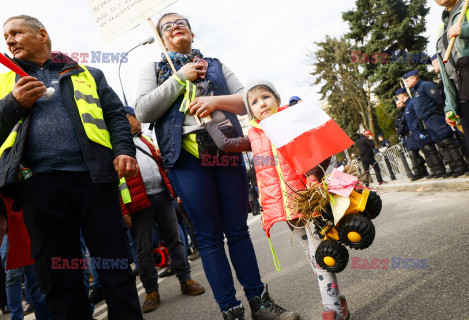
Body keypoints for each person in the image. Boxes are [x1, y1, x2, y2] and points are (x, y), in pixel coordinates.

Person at [134, 13, 298, 320]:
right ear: (160, 38)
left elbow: (245, 101)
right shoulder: (153, 69)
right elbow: (143, 110)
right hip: (186, 159)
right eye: (166, 26)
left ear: (192, 34)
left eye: (181, 22)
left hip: (225, 150)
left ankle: (259, 303)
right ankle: (230, 310)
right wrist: (179, 77)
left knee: (237, 230)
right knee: (208, 236)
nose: (174, 27)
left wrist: (215, 102)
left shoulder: (217, 65)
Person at [0, 15, 143, 319]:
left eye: (15, 33)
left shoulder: (88, 74)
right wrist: (13, 102)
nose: (9, 40)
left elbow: (116, 116)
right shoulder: (5, 83)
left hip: (94, 180)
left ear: (42, 34)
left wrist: (123, 150)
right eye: (6, 36)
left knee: (115, 268)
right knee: (59, 279)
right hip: (37, 188)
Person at [203, 80, 350, 320]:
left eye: (266, 97)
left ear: (277, 100)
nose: (262, 104)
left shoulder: (292, 122)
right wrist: (208, 120)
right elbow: (225, 144)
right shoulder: (254, 135)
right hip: (289, 211)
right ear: (250, 112)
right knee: (314, 258)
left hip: (309, 202)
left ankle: (331, 310)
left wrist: (313, 175)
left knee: (320, 255)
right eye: (254, 102)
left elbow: (323, 150)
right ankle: (338, 302)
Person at [122, 106, 205, 313]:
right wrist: (123, 209)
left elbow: (162, 165)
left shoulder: (146, 140)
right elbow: (118, 181)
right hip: (138, 205)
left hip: (162, 196)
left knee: (175, 239)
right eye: (133, 118)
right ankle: (151, 291)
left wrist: (174, 191)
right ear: (124, 121)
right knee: (143, 249)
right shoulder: (119, 148)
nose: (138, 121)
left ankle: (185, 279)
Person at [434, 0, 469, 236]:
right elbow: (446, 72)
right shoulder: (441, 32)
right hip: (467, 93)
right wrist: (450, 107)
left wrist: (468, 29)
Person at [403, 70, 468, 177]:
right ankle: (452, 167)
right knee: (441, 143)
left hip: (435, 117)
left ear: (414, 79)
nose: (406, 83)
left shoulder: (425, 85)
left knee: (447, 141)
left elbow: (438, 99)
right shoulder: (417, 91)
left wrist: (439, 112)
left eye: (407, 80)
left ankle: (460, 165)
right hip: (428, 120)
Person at [395, 89, 435, 180]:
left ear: (401, 97)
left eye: (399, 102)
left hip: (416, 132)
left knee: (427, 149)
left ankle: (434, 169)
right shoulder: (401, 113)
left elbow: (417, 118)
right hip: (410, 135)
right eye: (397, 104)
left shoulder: (411, 104)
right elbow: (398, 127)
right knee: (415, 153)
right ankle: (424, 170)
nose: (398, 104)